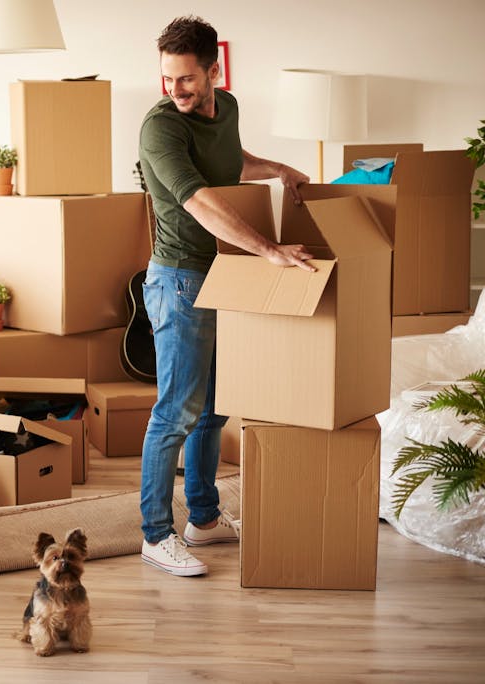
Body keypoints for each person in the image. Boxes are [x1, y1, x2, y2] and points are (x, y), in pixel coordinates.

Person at [136, 16, 316, 577]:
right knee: (176, 412)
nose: (175, 90)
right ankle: (155, 534)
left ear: (214, 71)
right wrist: (268, 250)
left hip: (223, 274)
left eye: (187, 79)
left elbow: (229, 163)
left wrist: (277, 168)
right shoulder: (160, 128)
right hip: (180, 280)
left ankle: (204, 519)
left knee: (213, 410)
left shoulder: (228, 107)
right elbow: (200, 201)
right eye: (168, 79)